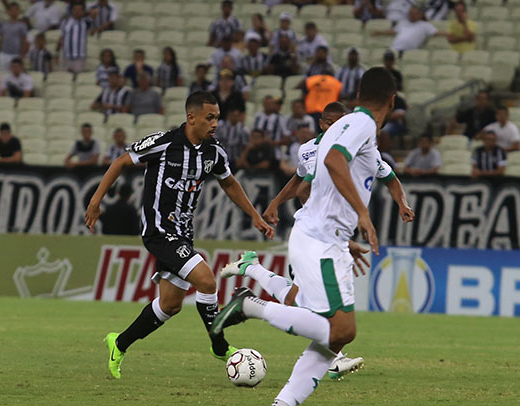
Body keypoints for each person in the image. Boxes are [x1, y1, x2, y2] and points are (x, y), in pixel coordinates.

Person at [211, 68, 414, 406]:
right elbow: (335, 161)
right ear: (392, 102)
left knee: (333, 337)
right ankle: (251, 305)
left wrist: (346, 235)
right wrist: (363, 215)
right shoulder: (362, 124)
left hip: (324, 237)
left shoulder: (344, 126)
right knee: (343, 330)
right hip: (320, 239)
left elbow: (328, 180)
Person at [83, 91, 274, 378]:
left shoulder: (214, 152)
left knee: (170, 304)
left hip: (184, 234)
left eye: (217, 118)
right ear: (191, 117)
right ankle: (219, 346)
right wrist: (96, 201)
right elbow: (122, 161)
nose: (215, 124)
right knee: (207, 281)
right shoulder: (164, 143)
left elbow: (230, 183)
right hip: (159, 231)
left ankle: (118, 343)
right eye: (210, 118)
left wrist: (254, 215)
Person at [230, 102, 368, 379]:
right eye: (329, 123)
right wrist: (278, 203)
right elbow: (301, 183)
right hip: (313, 236)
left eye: (340, 123)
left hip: (329, 233)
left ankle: (251, 269)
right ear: (321, 124)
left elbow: (303, 183)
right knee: (317, 300)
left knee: (297, 299)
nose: (334, 128)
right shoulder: (310, 150)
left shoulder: (352, 150)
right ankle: (334, 358)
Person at [372, 6, 439, 53]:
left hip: (410, 51)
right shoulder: (403, 22)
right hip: (395, 49)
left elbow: (436, 32)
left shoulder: (425, 25)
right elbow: (393, 31)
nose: (411, 15)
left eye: (413, 13)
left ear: (420, 14)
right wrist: (379, 32)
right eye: (410, 13)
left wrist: (448, 34)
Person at [57, 2, 95, 74]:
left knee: (78, 77)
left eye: (79, 10)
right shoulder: (66, 22)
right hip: (66, 56)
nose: (77, 12)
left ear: (83, 11)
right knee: (65, 78)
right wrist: (56, 52)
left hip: (79, 57)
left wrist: (85, 14)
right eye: (75, 10)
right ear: (72, 11)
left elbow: (95, 12)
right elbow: (61, 37)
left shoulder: (86, 21)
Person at [215, 107, 249, 172]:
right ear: (229, 115)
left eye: (237, 116)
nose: (235, 118)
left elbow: (245, 146)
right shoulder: (220, 125)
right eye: (233, 115)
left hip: (234, 159)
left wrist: (241, 158)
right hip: (219, 158)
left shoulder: (243, 129)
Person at [0, 2, 28, 71]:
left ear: (19, 12)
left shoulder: (22, 25)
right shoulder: (4, 25)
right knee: (2, 74)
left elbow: (24, 41)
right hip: (4, 54)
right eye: (12, 9)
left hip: (15, 54)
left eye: (16, 9)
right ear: (8, 12)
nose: (14, 11)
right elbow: (1, 39)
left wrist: (22, 55)